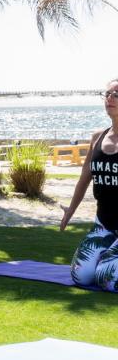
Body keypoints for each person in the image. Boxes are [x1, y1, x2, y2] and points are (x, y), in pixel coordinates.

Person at [61, 79, 118, 290]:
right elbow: (84, 178)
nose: (110, 98)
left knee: (107, 279)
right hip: (103, 224)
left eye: (116, 95)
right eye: (107, 94)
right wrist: (70, 211)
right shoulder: (97, 137)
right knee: (81, 277)